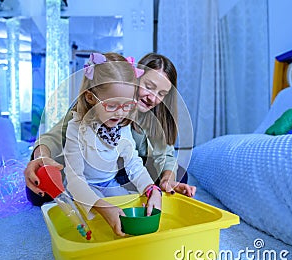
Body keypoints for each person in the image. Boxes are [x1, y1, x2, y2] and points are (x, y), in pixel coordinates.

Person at [24, 52, 196, 206]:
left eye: (161, 94)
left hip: (126, 170)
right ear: (135, 79)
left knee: (180, 174)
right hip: (91, 169)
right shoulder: (94, 108)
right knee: (39, 189)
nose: (152, 98)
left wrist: (167, 180)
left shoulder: (153, 118)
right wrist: (42, 157)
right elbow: (55, 136)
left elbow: (162, 156)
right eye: (149, 87)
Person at [63, 52, 161, 236]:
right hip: (83, 186)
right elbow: (75, 180)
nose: (120, 113)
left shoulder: (122, 127)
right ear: (90, 98)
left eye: (127, 105)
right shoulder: (76, 128)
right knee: (94, 222)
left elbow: (134, 165)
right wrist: (102, 206)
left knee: (129, 214)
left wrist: (152, 189)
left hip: (110, 183)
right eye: (112, 105)